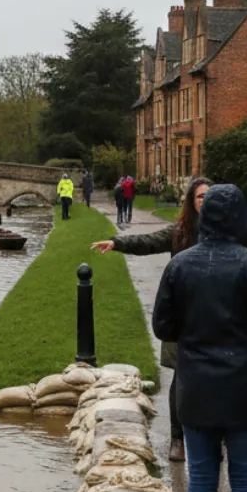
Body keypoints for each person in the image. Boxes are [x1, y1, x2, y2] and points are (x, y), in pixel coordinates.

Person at [152, 184, 247, 492]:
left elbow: (162, 325)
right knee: (245, 480)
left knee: (201, 477)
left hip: (197, 385)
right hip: (246, 385)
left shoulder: (180, 265)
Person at [92, 177, 214, 463]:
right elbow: (148, 241)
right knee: (181, 378)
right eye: (199, 197)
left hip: (216, 316)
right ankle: (177, 437)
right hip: (184, 316)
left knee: (212, 378)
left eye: (209, 196)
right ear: (191, 201)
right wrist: (117, 242)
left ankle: (208, 436)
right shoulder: (181, 232)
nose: (204, 201)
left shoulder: (230, 232)